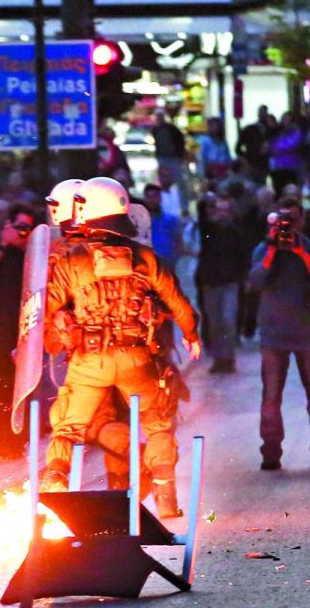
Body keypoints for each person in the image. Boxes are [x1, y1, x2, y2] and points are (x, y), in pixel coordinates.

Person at [41, 179, 200, 516]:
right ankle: (166, 496)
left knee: (68, 426)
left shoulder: (71, 260)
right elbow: (177, 302)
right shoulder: (145, 257)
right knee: (158, 424)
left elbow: (45, 308)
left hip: (88, 360)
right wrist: (192, 334)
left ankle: (55, 480)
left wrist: (45, 342)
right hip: (136, 359)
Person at [248, 198, 310, 470]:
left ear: (303, 221)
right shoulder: (264, 248)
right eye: (286, 221)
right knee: (271, 397)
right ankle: (271, 452)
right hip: (274, 334)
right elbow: (255, 281)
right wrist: (274, 249)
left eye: (294, 220)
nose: (290, 227)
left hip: (308, 331)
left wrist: (299, 252)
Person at [195, 195, 249, 373]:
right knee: (215, 322)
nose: (222, 214)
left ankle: (228, 357)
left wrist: (244, 278)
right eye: (219, 210)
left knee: (228, 319)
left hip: (229, 283)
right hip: (210, 282)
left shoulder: (236, 232)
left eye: (225, 210)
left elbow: (243, 256)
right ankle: (219, 358)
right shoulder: (208, 231)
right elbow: (202, 215)